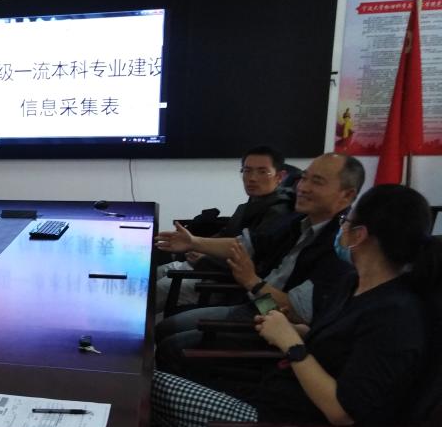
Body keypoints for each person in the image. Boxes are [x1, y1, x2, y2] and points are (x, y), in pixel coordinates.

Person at [151, 183, 440, 427]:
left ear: (359, 234)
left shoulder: (393, 315)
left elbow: (342, 412)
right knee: (139, 422)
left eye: (347, 221)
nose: (302, 187)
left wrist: (288, 337)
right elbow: (322, 333)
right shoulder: (339, 272)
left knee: (147, 382)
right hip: (272, 373)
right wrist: (296, 331)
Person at [153, 153, 363, 377]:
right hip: (257, 305)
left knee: (171, 347)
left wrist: (252, 282)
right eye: (304, 178)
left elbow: (295, 314)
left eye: (317, 182)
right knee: (164, 328)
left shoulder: (341, 247)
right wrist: (194, 242)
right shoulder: (298, 221)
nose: (303, 187)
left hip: (276, 327)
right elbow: (246, 245)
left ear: (347, 195)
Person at [155, 145, 293, 311]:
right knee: (153, 274)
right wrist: (199, 248)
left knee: (158, 289)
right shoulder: (248, 206)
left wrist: (203, 258)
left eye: (262, 172)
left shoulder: (280, 213)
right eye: (247, 171)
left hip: (228, 286)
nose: (252, 178)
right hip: (209, 269)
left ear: (280, 176)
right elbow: (225, 236)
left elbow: (250, 262)